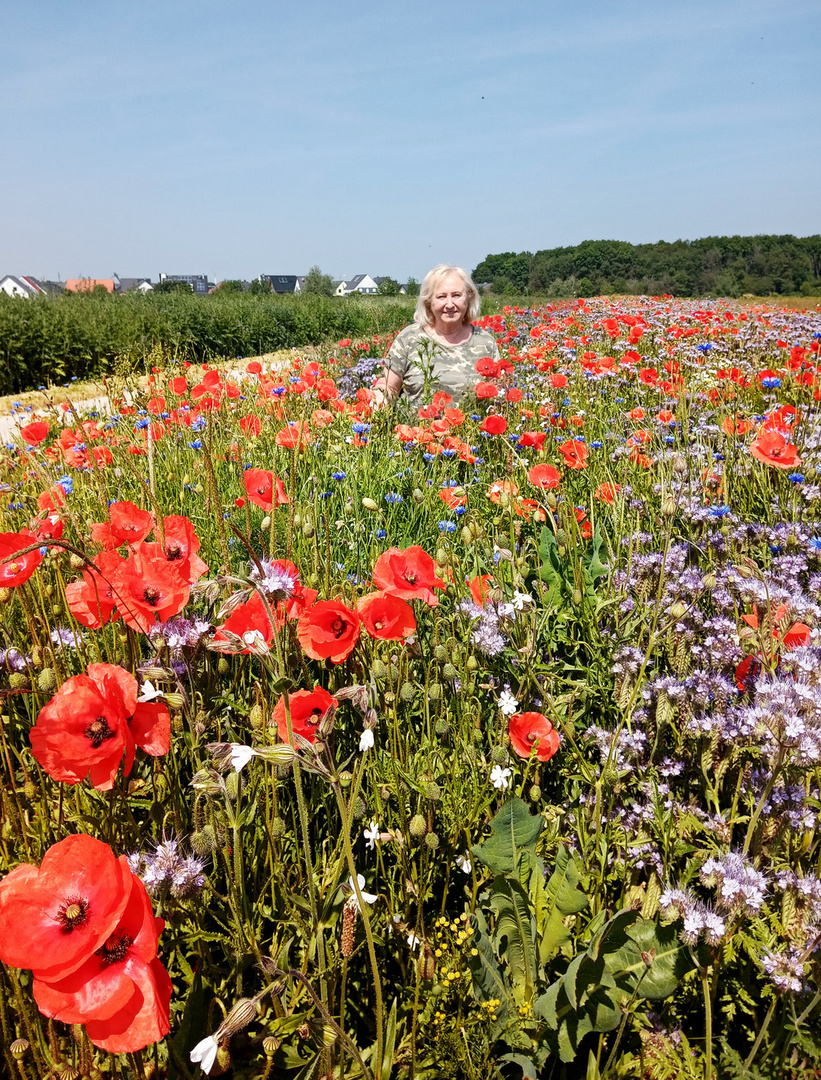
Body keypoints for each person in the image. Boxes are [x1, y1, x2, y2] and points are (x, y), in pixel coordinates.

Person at [372, 264, 500, 409]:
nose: (450, 304)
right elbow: (389, 386)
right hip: (416, 430)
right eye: (441, 296)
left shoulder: (484, 342)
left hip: (469, 429)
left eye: (456, 295)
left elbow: (497, 394)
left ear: (468, 298)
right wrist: (377, 399)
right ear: (428, 302)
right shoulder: (409, 338)